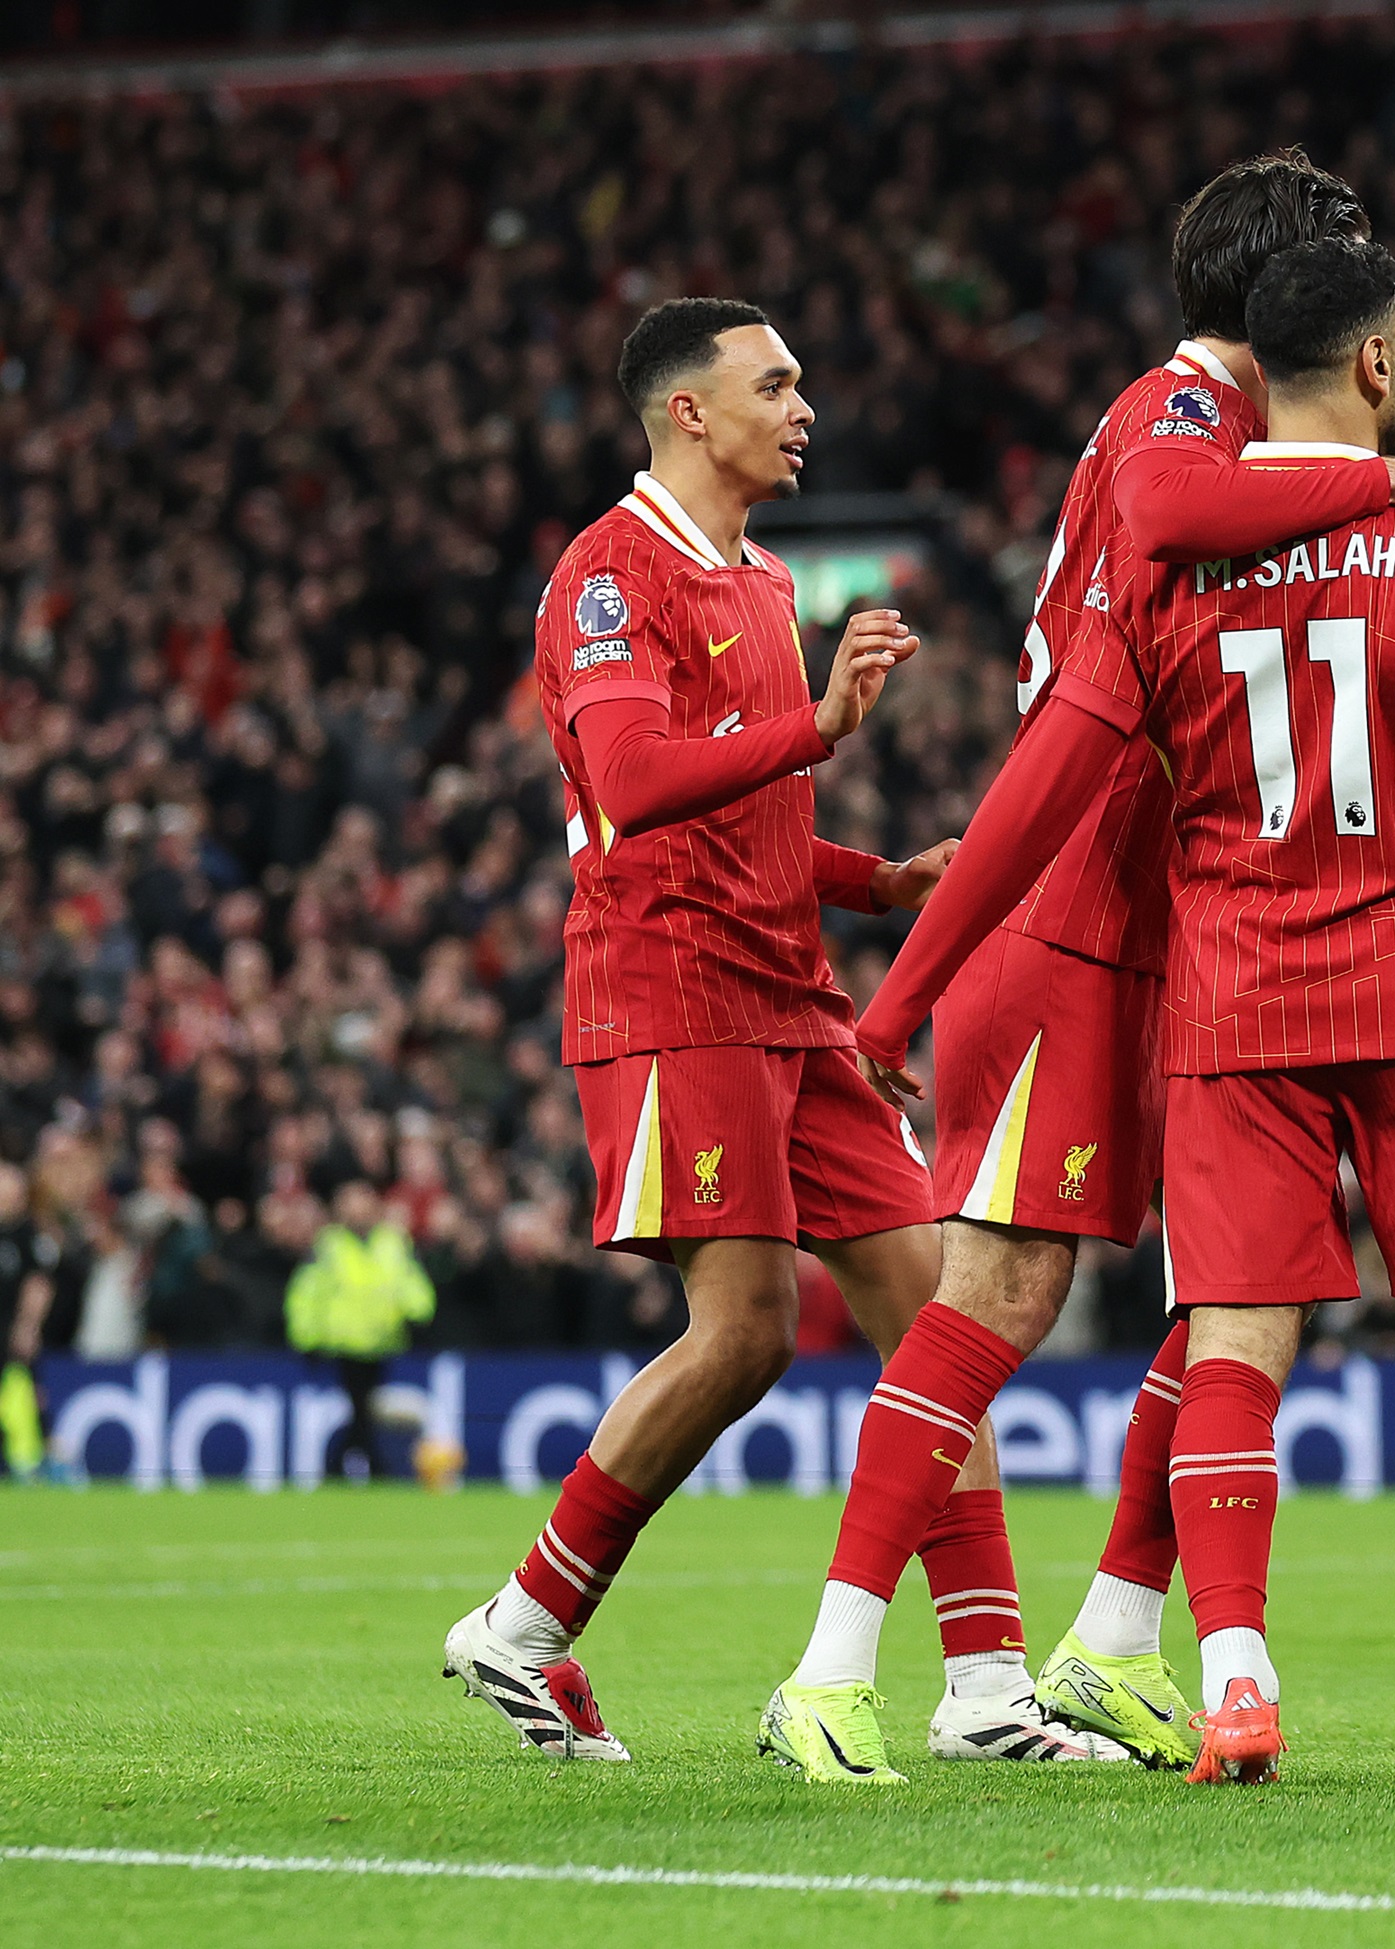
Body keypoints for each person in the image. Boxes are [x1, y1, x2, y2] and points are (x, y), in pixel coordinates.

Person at [769, 236, 1395, 1788]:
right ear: (1372, 363)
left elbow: (1034, 793)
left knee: (1234, 1334)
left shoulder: (1163, 564)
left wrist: (900, 997)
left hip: (1233, 994)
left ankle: (1226, 1676)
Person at [440, 297, 987, 1766]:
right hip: (672, 989)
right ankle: (523, 1625)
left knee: (944, 1317)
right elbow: (629, 779)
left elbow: (750, 817)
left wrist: (879, 881)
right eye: (776, 383)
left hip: (791, 993)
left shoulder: (760, 578)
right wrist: (819, 726)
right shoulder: (609, 574)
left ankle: (987, 1688)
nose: (804, 408)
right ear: (690, 409)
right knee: (744, 1332)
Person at [285, 1179, 435, 1480]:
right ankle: (366, 1465)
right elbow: (306, 1292)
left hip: (383, 1341)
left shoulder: (393, 1242)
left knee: (363, 1409)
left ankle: (346, 1465)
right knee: (359, 1407)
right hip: (344, 1341)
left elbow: (410, 1281)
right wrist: (306, 1336)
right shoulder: (329, 1245)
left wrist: (419, 1313)